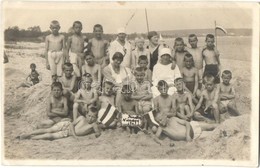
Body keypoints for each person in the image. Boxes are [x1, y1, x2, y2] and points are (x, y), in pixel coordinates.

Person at [18, 111, 101, 140]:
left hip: (67, 133)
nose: (90, 118)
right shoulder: (82, 118)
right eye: (89, 116)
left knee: (50, 136)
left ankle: (31, 138)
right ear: (86, 115)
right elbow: (72, 124)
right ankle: (28, 134)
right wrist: (75, 136)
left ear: (95, 118)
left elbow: (97, 134)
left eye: (93, 117)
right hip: (66, 125)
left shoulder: (92, 125)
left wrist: (96, 125)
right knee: (49, 130)